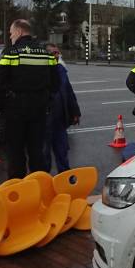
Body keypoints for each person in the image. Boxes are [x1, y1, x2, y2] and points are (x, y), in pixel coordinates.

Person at [0, 19, 60, 179]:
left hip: (14, 111)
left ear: (20, 32)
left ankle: (18, 192)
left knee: (16, 154)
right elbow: (56, 84)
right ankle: (40, 189)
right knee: (37, 152)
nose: (10, 37)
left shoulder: (11, 53)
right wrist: (45, 100)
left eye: (11, 33)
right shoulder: (46, 54)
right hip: (39, 110)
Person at [44, 44, 81, 173]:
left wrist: (75, 112)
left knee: (62, 149)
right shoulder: (41, 70)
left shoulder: (61, 70)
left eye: (58, 53)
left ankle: (65, 177)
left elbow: (69, 92)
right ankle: (44, 180)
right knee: (44, 153)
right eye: (54, 53)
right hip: (45, 117)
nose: (57, 55)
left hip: (59, 118)